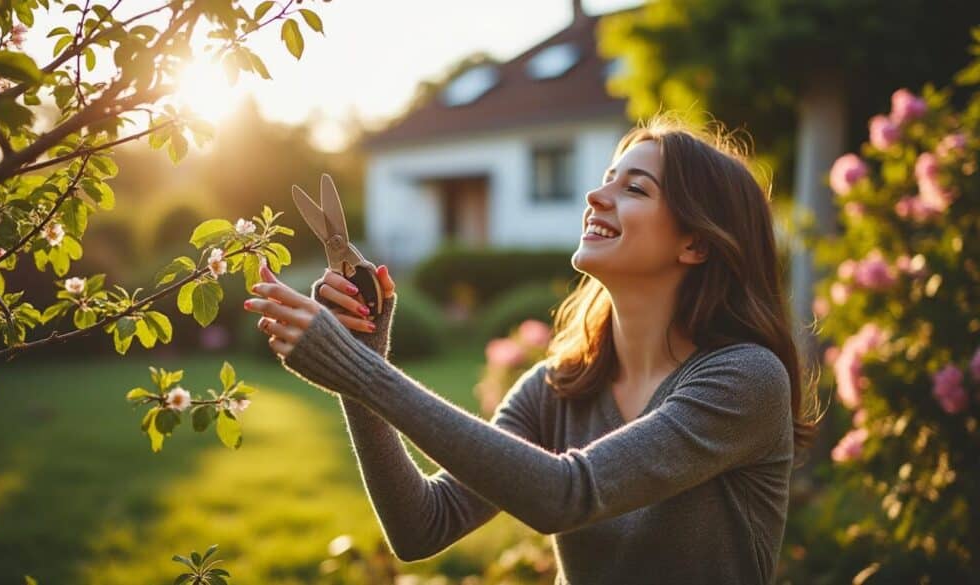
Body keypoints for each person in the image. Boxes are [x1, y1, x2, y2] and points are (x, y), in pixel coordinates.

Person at [242, 114, 821, 584]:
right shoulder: (558, 388)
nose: (596, 194)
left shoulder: (745, 379)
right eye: (608, 177)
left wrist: (360, 372)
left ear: (695, 242)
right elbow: (423, 527)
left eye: (634, 187)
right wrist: (364, 356)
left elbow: (565, 495)